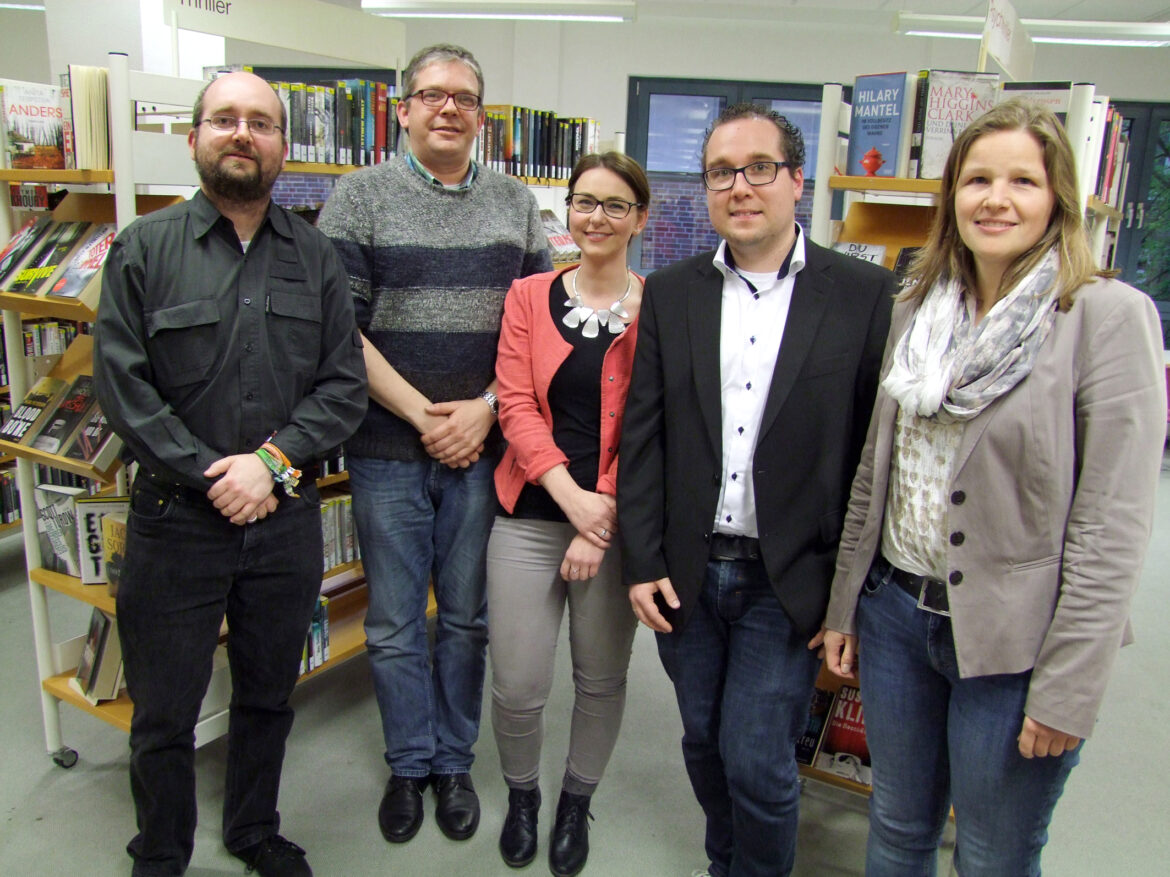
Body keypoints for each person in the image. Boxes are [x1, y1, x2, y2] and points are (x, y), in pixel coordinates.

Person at [817, 99, 1166, 876]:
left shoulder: (1105, 317)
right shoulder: (918, 308)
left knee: (992, 852)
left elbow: (1112, 528)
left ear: (1057, 199)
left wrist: (1069, 686)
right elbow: (879, 466)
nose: (995, 199)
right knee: (897, 830)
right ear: (952, 196)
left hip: (1018, 642)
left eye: (1022, 180)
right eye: (977, 179)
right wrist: (847, 601)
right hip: (898, 615)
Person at [93, 71, 367, 877]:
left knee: (267, 695)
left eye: (260, 122)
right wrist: (216, 473)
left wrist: (270, 466)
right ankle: (162, 850)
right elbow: (122, 385)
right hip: (176, 521)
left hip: (282, 521)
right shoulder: (142, 248)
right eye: (224, 120)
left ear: (284, 145)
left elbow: (342, 384)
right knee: (164, 711)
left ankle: (252, 831)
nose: (241, 133)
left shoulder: (316, 255)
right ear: (194, 138)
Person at [618, 104, 896, 877]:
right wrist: (640, 560)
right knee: (703, 739)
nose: (739, 186)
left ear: (797, 180)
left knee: (756, 756)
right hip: (687, 568)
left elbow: (872, 451)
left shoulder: (864, 294)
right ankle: (726, 862)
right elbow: (644, 436)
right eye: (720, 172)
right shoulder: (671, 292)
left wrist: (851, 592)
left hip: (791, 572)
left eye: (759, 168)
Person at [316, 43, 552, 846]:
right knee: (390, 622)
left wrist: (484, 410)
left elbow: (539, 331)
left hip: (485, 451)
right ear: (403, 108)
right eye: (432, 94)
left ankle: (453, 760)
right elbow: (336, 330)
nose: (449, 108)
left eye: (465, 98)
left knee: (465, 620)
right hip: (386, 447)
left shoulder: (517, 203)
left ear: (482, 116)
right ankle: (408, 762)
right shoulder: (357, 198)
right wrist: (427, 415)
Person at [488, 152, 649, 876]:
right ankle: (523, 795)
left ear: (639, 218)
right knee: (518, 682)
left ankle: (576, 800)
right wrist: (572, 500)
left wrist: (602, 513)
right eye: (585, 202)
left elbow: (654, 422)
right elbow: (515, 403)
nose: (597, 218)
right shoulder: (527, 295)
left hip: (613, 526)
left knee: (600, 676)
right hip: (530, 511)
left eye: (616, 205)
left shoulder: (662, 307)